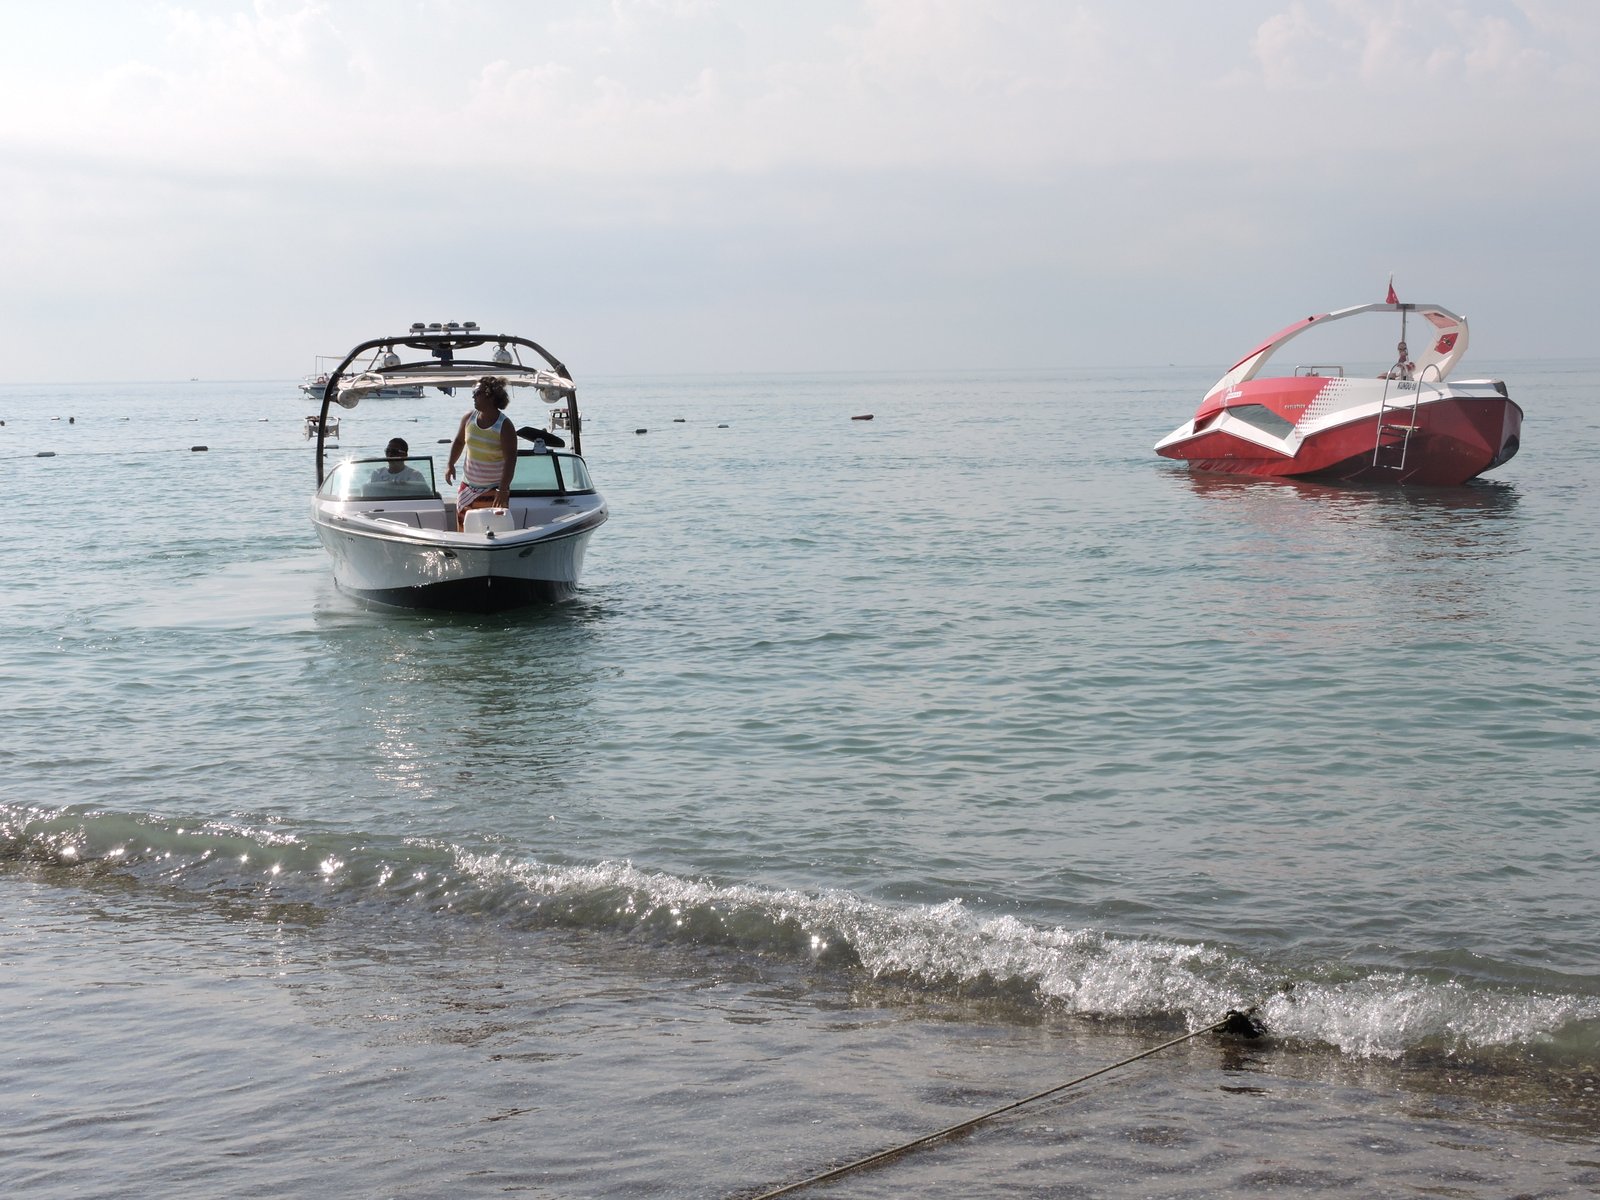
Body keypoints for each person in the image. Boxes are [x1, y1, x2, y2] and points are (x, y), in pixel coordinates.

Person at [445, 376, 518, 530]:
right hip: (467, 487)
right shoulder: (468, 418)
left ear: (490, 396)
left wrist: (503, 489)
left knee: (492, 531)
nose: (473, 396)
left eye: (477, 392)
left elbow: (511, 459)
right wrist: (450, 464)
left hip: (493, 489)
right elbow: (459, 442)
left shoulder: (504, 425)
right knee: (464, 530)